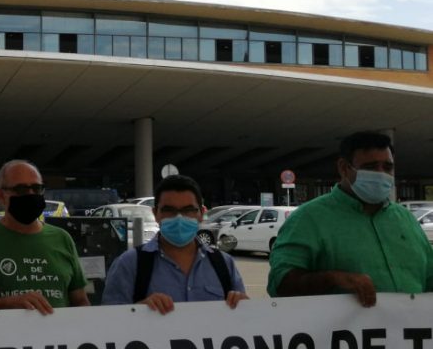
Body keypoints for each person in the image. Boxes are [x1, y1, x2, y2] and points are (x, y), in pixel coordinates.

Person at [268, 131, 433, 306]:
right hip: (339, 332)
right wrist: (332, 279)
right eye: (370, 167)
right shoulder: (308, 218)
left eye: (387, 167)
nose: (381, 174)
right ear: (344, 168)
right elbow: (279, 284)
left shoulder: (406, 219)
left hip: (408, 330)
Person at [103, 174, 248, 312]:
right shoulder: (130, 264)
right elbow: (109, 324)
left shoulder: (224, 264)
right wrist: (138, 311)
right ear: (155, 214)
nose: (179, 218)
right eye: (169, 210)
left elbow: (245, 322)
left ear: (201, 213)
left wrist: (244, 306)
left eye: (188, 210)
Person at [0, 160, 89, 313]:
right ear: (1, 196)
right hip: (4, 335)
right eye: (21, 189)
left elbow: (80, 300)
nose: (30, 195)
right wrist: (8, 303)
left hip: (59, 335)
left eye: (36, 188)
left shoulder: (62, 238)